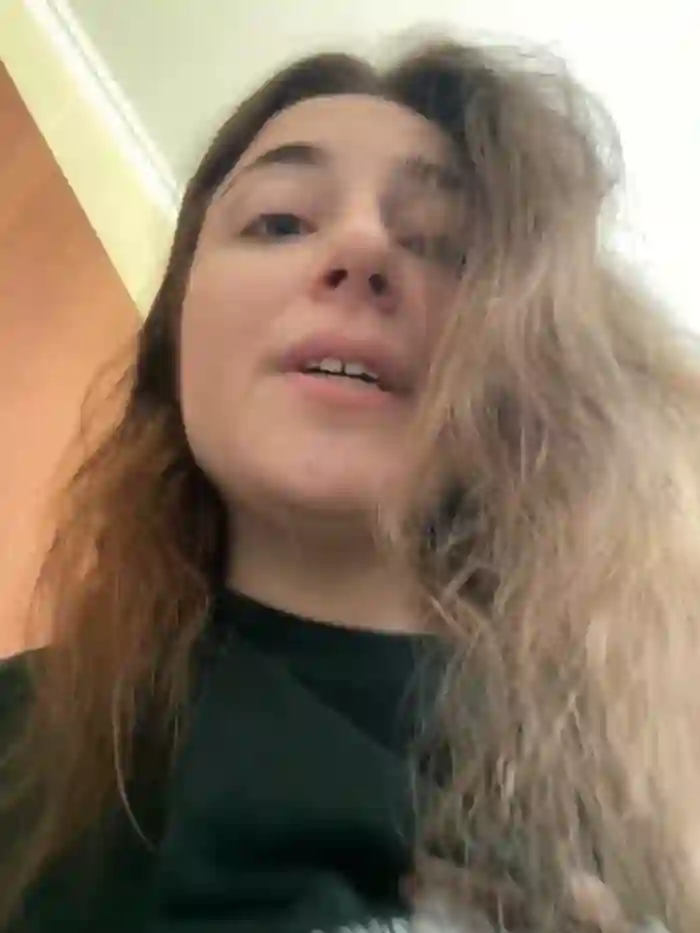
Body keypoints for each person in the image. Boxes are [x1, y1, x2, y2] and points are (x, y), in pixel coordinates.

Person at [0, 33, 695, 933]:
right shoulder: (21, 745)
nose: (362, 247)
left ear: (527, 372)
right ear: (176, 340)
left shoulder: (652, 793)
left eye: (440, 243)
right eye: (280, 222)